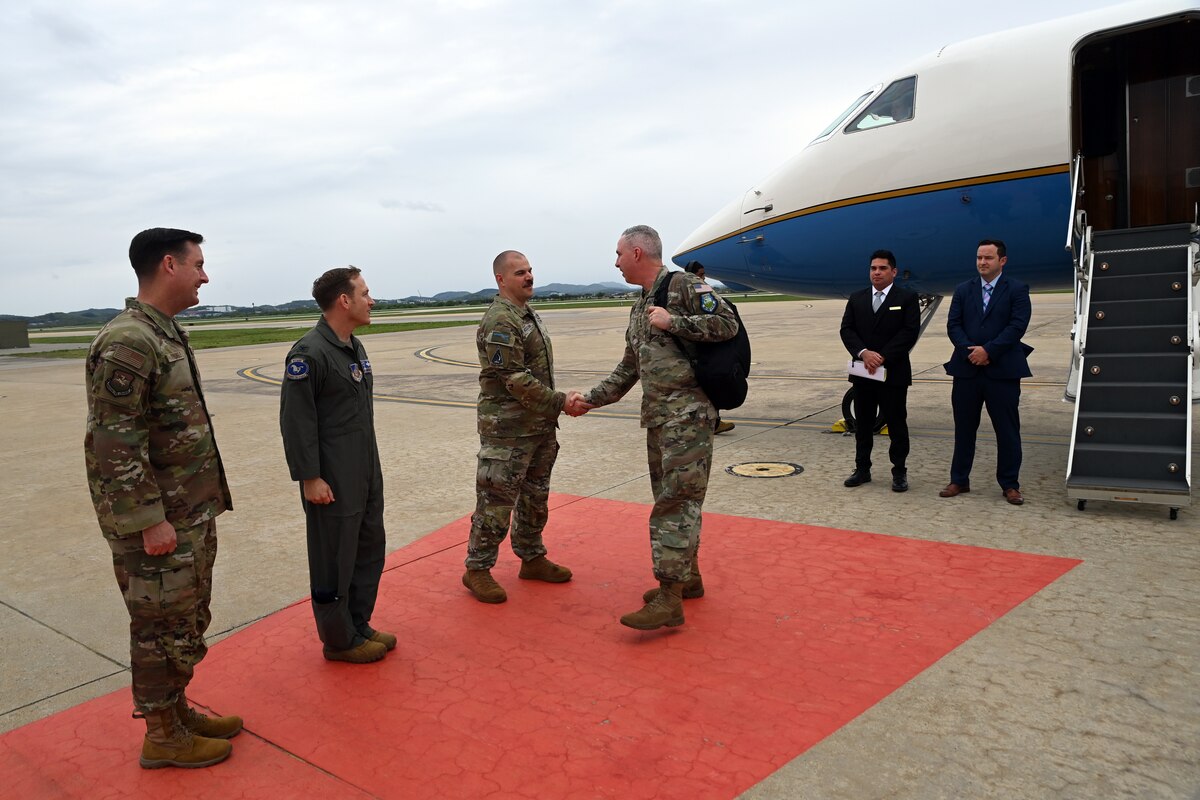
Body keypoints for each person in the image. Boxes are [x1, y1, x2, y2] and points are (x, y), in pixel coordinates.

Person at [84, 228, 239, 769]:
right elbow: (113, 440)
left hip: (188, 511)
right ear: (169, 265)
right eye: (198, 264)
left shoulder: (164, 333)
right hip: (160, 522)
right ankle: (161, 735)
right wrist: (149, 521)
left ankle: (174, 712)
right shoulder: (130, 341)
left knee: (186, 619)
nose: (205, 275)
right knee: (158, 629)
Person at [569, 225, 738, 630]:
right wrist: (591, 399)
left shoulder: (683, 286)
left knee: (674, 506)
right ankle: (688, 579)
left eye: (619, 254)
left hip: (688, 418)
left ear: (638, 253)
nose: (616, 262)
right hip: (659, 419)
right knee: (671, 501)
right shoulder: (640, 303)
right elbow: (630, 367)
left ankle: (669, 596)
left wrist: (674, 322)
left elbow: (728, 324)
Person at [279, 267, 394, 663]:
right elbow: (296, 423)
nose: (371, 300)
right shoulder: (309, 353)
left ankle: (358, 623)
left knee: (367, 548)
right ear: (344, 301)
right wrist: (310, 477)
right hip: (331, 477)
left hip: (363, 469)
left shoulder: (353, 347)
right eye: (364, 292)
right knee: (334, 558)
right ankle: (338, 639)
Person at [462, 250, 576, 603]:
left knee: (535, 496)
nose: (529, 277)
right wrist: (561, 402)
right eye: (520, 273)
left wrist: (551, 411)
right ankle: (477, 569)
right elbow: (513, 378)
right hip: (508, 431)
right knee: (496, 500)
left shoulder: (525, 314)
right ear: (501, 280)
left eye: (530, 271)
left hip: (538, 427)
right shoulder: (501, 320)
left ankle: (531, 557)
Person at [941, 239, 1033, 505]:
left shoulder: (1017, 289)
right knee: (964, 429)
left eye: (988, 258)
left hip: (1002, 371)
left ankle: (1010, 484)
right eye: (979, 257)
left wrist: (989, 351)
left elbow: (1017, 326)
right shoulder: (962, 290)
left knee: (1007, 431)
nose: (982, 262)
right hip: (967, 370)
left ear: (1002, 261)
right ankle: (959, 479)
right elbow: (953, 325)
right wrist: (971, 351)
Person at [839, 249, 921, 492]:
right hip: (864, 373)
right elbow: (847, 330)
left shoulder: (906, 298)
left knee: (897, 424)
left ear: (893, 272)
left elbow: (909, 332)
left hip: (893, 373)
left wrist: (882, 356)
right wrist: (864, 353)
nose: (877, 272)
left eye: (882, 268)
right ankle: (862, 469)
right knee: (863, 425)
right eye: (873, 268)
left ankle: (899, 472)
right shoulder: (857, 298)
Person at [684, 261, 735, 434]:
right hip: (704, 345)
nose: (704, 277)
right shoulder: (700, 288)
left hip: (687, 347)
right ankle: (713, 422)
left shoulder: (677, 290)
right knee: (709, 385)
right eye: (702, 274)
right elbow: (712, 312)